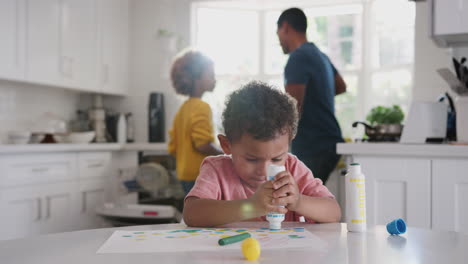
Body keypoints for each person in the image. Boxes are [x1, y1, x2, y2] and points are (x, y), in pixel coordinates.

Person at [183, 81, 341, 227]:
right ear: (226, 145)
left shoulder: (292, 168)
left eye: (277, 158)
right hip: (232, 256)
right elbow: (191, 214)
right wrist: (250, 207)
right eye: (252, 159)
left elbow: (334, 212)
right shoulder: (217, 170)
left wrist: (299, 202)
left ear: (288, 145)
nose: (264, 170)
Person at [276, 7, 346, 184]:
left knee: (299, 201)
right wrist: (318, 95)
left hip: (314, 145)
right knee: (307, 199)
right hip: (330, 141)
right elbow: (341, 86)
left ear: (285, 27)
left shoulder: (297, 58)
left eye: (278, 33)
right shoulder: (319, 55)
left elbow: (292, 107)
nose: (279, 40)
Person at [168, 49, 223, 195]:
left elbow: (173, 147)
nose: (214, 79)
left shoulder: (183, 109)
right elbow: (202, 144)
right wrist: (227, 155)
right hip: (199, 174)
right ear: (197, 78)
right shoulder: (201, 106)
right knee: (203, 214)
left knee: (193, 211)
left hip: (184, 173)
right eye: (211, 75)